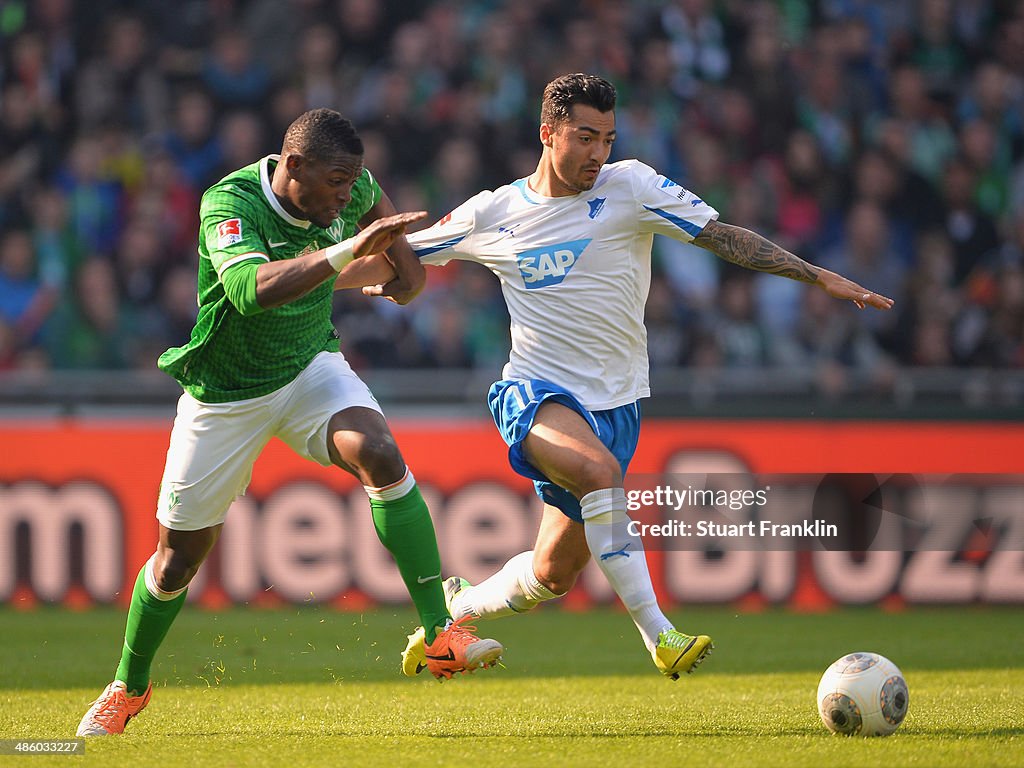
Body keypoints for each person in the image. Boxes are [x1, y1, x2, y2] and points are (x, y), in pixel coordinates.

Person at [394, 74, 894, 679]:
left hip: (615, 405)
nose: (597, 153)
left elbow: (722, 236)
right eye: (584, 137)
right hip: (533, 391)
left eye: (606, 138)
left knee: (553, 573)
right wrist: (309, 280)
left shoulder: (632, 186)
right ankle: (661, 635)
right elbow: (396, 255)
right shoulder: (493, 211)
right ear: (548, 133)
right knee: (599, 472)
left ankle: (453, 610)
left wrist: (815, 275)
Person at [76, 109, 503, 737]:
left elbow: (403, 272)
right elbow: (249, 290)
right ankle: (128, 686)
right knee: (175, 562)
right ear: (292, 165)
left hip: (309, 368)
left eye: (351, 182)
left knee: (380, 453)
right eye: (334, 182)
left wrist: (402, 271)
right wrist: (345, 255)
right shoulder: (231, 199)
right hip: (225, 393)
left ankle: (440, 631)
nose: (345, 194)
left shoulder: (351, 186)